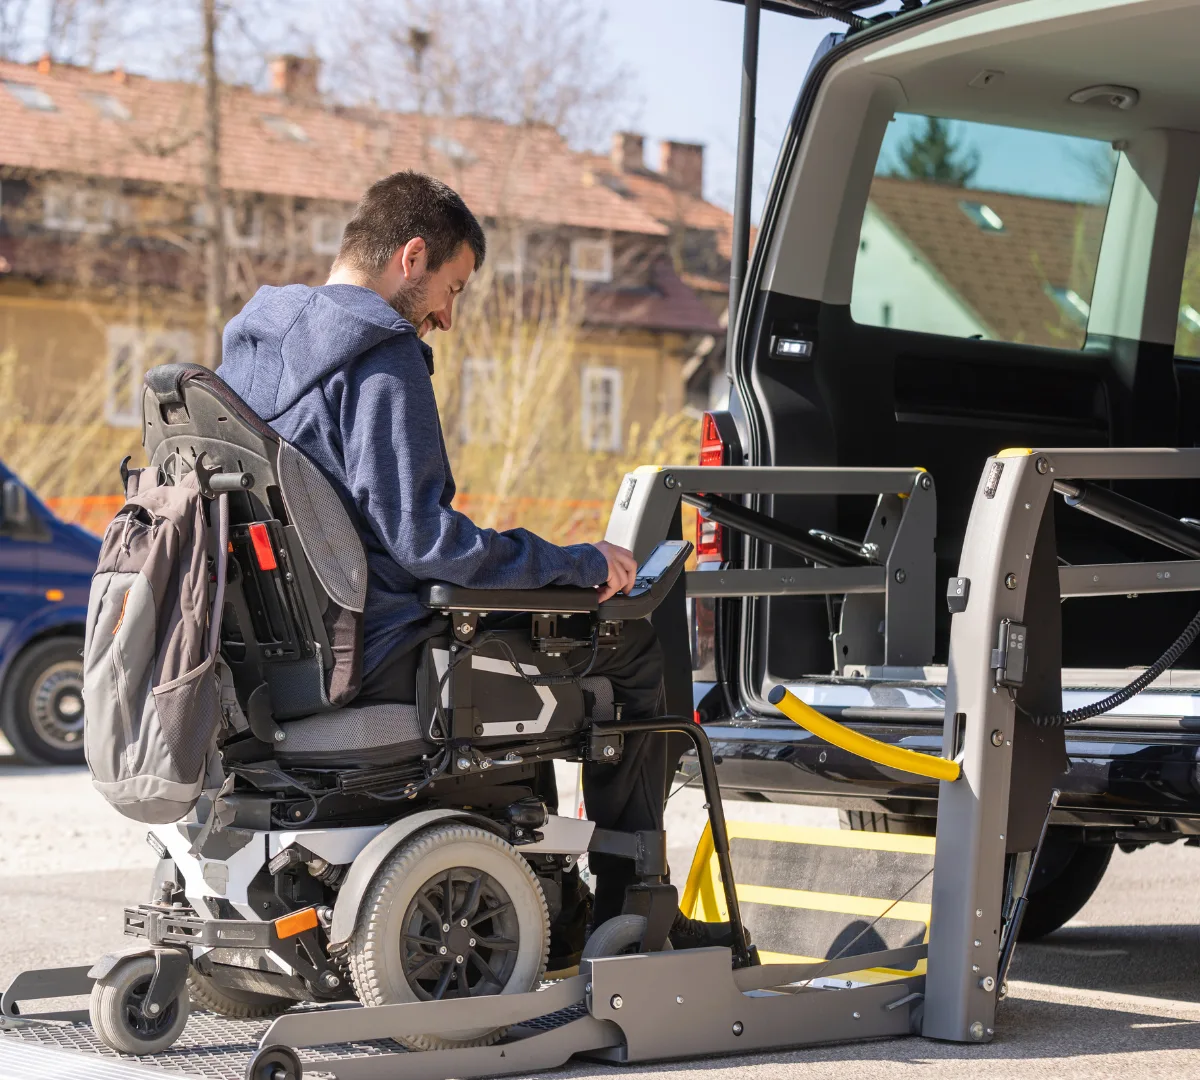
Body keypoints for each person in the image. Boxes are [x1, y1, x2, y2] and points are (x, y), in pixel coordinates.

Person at [216, 170, 742, 957]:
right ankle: (630, 912)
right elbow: (427, 543)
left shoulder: (247, 359)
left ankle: (545, 895)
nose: (448, 318)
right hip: (379, 652)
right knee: (627, 641)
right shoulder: (381, 357)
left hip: (276, 666)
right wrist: (574, 561)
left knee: (525, 645)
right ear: (413, 254)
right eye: (451, 289)